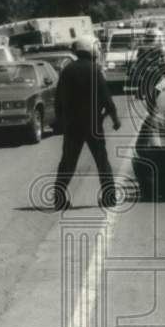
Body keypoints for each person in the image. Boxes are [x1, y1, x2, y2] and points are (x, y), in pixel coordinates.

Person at [53, 36, 121, 211]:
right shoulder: (94, 70)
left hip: (73, 125)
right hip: (93, 124)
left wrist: (60, 121)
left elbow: (58, 99)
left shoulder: (67, 71)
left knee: (67, 162)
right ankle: (109, 198)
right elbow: (106, 97)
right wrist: (114, 117)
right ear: (91, 51)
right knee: (102, 161)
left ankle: (59, 199)